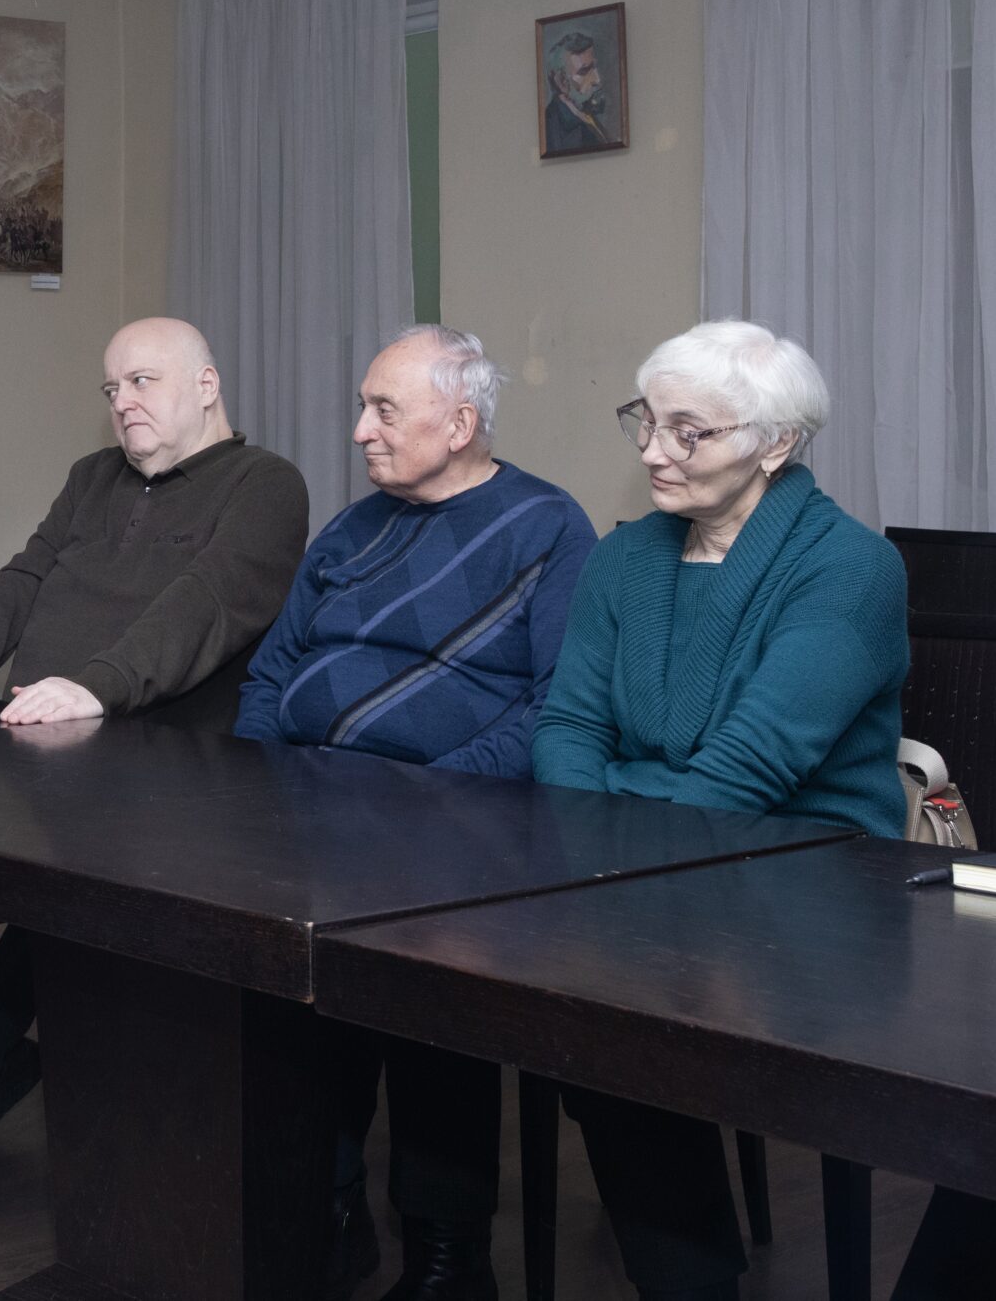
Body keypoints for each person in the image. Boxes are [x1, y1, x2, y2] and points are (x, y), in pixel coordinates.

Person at [0, 316, 309, 1163]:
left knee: (68, 878)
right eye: (111, 388)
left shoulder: (266, 485)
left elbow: (206, 603)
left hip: (168, 774)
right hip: (36, 745)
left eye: (142, 381)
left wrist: (96, 685)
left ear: (207, 385)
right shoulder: (93, 476)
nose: (122, 401)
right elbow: (25, 574)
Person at [533, 320, 908, 1301]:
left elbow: (753, 765)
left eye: (687, 431)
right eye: (646, 421)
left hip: (811, 877)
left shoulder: (851, 566)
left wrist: (615, 839)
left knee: (616, 1011)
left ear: (775, 443)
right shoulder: (624, 557)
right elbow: (568, 727)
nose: (654, 451)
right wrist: (603, 847)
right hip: (639, 860)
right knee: (570, 998)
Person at [237, 326, 596, 1301]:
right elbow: (270, 672)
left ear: (460, 423)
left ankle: (447, 1257)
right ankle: (320, 1211)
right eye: (364, 405)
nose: (360, 429)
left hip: (461, 824)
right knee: (259, 964)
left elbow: (555, 707)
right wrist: (256, 781)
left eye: (383, 409)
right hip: (305, 807)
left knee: (428, 971)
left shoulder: (545, 528)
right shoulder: (353, 528)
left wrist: (429, 791)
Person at [541, 30, 615, 154]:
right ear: (561, 81)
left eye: (594, 67)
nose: (597, 79)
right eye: (584, 71)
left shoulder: (583, 112)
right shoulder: (555, 130)